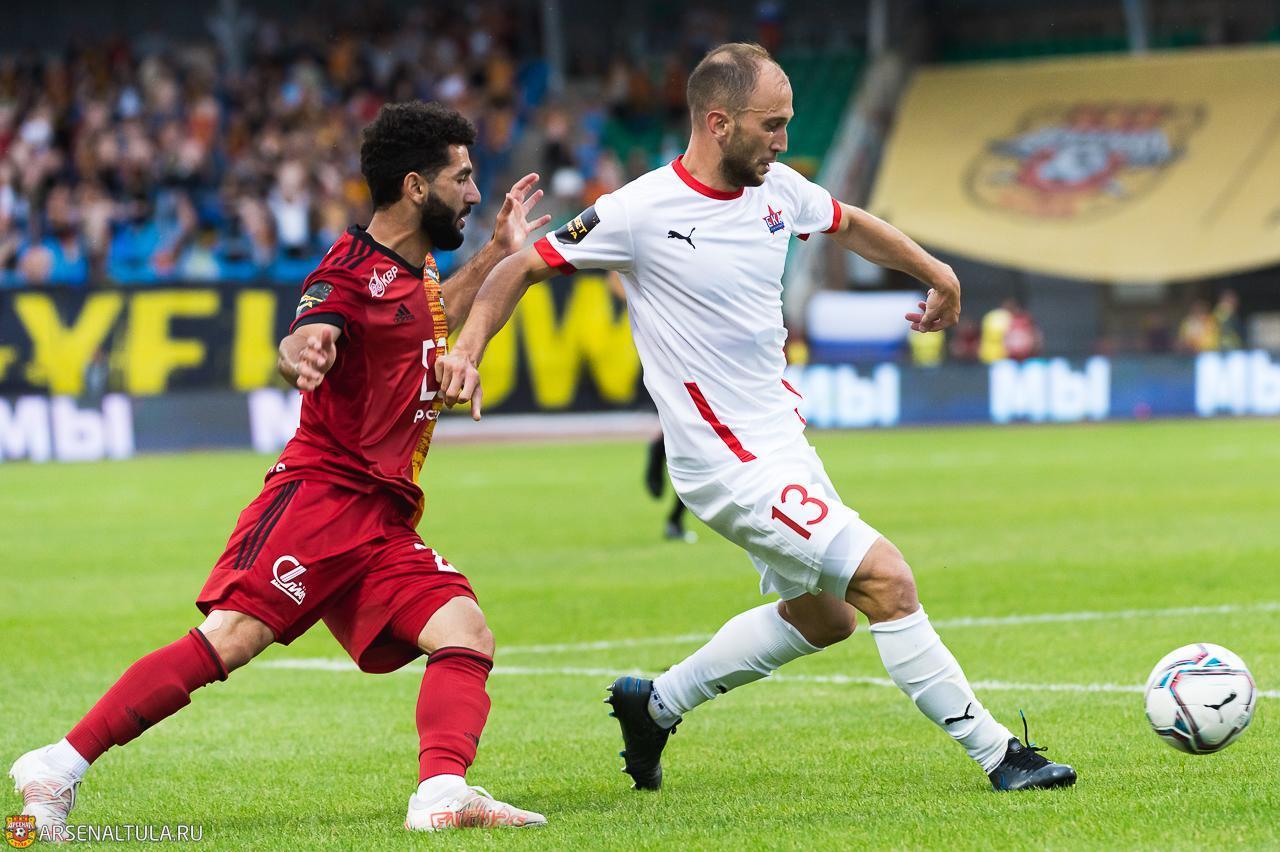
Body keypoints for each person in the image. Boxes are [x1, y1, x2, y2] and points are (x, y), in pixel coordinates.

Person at [436, 43, 1076, 794]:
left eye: (787, 123)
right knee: (888, 580)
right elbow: (520, 266)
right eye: (771, 125)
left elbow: (848, 222)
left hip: (782, 447)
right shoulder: (640, 210)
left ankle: (656, 705)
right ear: (718, 123)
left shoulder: (779, 190)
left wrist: (938, 273)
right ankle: (1001, 755)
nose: (782, 139)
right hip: (725, 463)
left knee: (829, 617)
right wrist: (468, 349)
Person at [8, 101, 551, 837]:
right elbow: (306, 332)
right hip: (318, 501)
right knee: (229, 640)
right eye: (463, 178)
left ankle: (441, 793)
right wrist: (305, 351)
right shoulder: (347, 269)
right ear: (416, 186)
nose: (476, 192)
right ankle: (57, 764)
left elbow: (437, 320)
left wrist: (495, 253)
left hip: (380, 517)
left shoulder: (414, 272)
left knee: (464, 630)